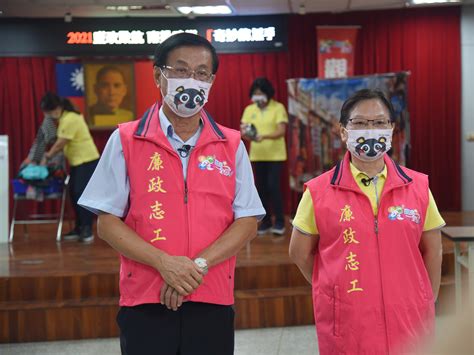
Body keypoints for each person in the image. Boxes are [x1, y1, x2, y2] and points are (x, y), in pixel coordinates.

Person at [78, 33, 265, 355]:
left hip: (211, 293)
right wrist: (165, 264)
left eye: (201, 73)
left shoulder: (231, 144)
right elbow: (107, 223)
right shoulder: (125, 139)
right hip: (146, 295)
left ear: (212, 81)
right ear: (158, 75)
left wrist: (196, 268)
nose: (191, 80)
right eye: (180, 70)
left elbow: (247, 220)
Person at [289, 89, 445, 354]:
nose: (370, 130)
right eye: (360, 123)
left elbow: (433, 250)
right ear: (342, 131)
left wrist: (425, 299)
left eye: (379, 123)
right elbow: (299, 253)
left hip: (409, 320)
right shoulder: (318, 190)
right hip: (350, 322)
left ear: (391, 129)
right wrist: (335, 291)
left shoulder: (418, 186)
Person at [40, 92, 100, 243]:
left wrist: (47, 156)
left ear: (56, 108)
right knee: (74, 194)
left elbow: (61, 143)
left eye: (49, 112)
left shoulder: (70, 119)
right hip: (77, 162)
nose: (49, 116)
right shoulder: (65, 118)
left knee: (81, 194)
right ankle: (79, 228)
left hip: (87, 161)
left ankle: (87, 230)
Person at [240, 77, 288, 236]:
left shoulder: (278, 107)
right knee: (260, 189)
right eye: (255, 93)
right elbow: (243, 131)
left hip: (275, 155)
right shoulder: (250, 110)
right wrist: (249, 135)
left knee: (273, 187)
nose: (257, 96)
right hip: (257, 155)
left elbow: (281, 131)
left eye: (260, 93)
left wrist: (263, 137)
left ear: (268, 94)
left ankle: (279, 221)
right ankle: (266, 222)